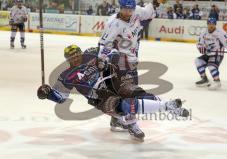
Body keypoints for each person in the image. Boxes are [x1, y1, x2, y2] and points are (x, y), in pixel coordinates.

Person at [37, 45, 190, 141]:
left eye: (77, 54)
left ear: (81, 52)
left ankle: (168, 107)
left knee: (138, 94)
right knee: (124, 106)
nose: (75, 57)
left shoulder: (92, 53)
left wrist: (105, 60)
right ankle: (134, 121)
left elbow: (115, 52)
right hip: (99, 97)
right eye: (71, 56)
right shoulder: (65, 75)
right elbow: (61, 98)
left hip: (115, 82)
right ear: (67, 59)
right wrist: (48, 93)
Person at [97, 0, 164, 134]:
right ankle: (132, 124)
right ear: (120, 8)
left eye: (130, 9)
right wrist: (101, 61)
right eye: (125, 9)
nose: (128, 13)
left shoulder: (137, 11)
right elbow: (104, 44)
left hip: (132, 61)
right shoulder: (113, 23)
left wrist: (155, 3)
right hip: (120, 62)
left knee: (123, 94)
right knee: (131, 93)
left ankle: (117, 118)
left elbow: (147, 12)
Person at [195, 18, 227, 90]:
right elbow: (199, 43)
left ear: (215, 24)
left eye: (213, 24)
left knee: (211, 66)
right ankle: (204, 79)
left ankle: (217, 82)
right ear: (207, 24)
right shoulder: (204, 32)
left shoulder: (220, 33)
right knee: (198, 61)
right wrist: (200, 48)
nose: (211, 26)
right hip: (208, 53)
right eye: (209, 24)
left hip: (218, 54)